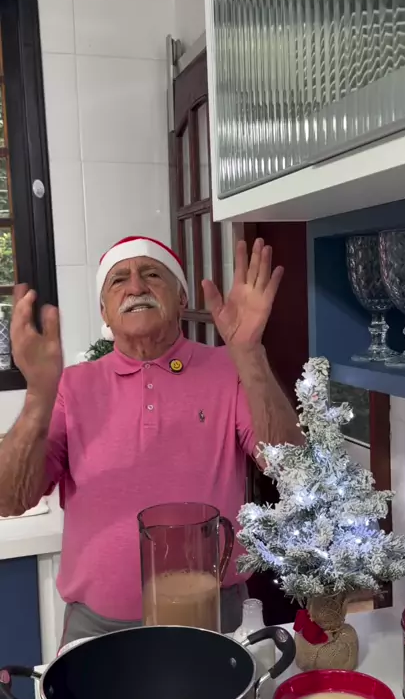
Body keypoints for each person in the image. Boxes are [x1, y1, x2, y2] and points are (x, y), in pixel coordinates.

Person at [0, 235, 302, 644]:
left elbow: (294, 470)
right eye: (118, 280)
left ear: (181, 299)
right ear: (104, 312)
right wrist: (38, 394)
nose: (136, 287)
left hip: (213, 614)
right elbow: (9, 499)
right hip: (99, 628)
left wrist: (249, 352)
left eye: (152, 274)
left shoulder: (228, 368)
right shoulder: (73, 386)